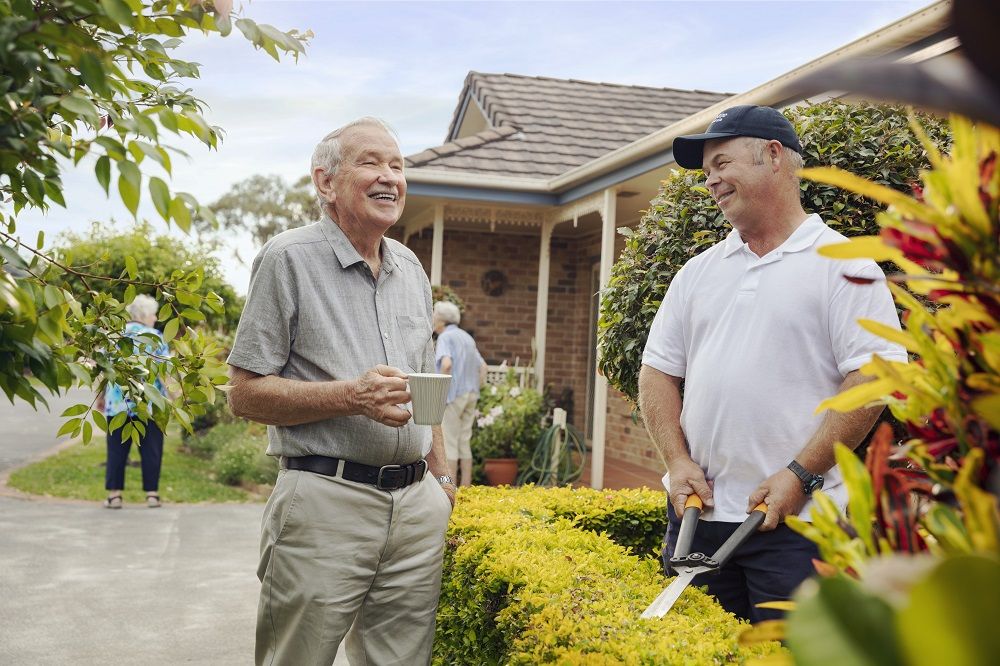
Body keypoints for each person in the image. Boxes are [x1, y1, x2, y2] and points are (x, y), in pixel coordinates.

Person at [638, 105, 908, 622]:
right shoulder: (698, 273)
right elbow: (658, 371)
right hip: (699, 517)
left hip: (799, 527)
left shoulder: (845, 265)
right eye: (707, 170)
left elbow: (872, 378)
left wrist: (801, 475)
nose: (711, 179)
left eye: (721, 162)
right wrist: (677, 461)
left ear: (774, 155)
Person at [226, 117, 456, 666]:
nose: (389, 177)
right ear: (326, 182)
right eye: (371, 163)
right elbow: (244, 394)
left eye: (398, 167)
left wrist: (443, 481)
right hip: (325, 501)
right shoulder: (287, 258)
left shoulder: (411, 268)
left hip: (415, 506)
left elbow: (427, 387)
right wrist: (351, 396)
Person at [98, 294, 169, 509]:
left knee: (116, 450)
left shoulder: (115, 337)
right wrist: (172, 399)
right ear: (144, 315)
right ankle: (152, 495)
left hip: (118, 404)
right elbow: (165, 373)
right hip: (150, 404)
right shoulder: (156, 337)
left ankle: (115, 495)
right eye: (154, 313)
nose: (156, 317)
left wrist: (100, 397)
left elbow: (104, 372)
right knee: (152, 449)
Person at [432, 300, 487, 487]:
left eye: (434, 315)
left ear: (441, 320)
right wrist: (475, 387)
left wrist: (440, 393)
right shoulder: (467, 337)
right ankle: (466, 486)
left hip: (453, 395)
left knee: (450, 442)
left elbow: (446, 365)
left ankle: (450, 487)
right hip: (471, 394)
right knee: (465, 440)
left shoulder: (446, 338)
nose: (432, 318)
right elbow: (483, 367)